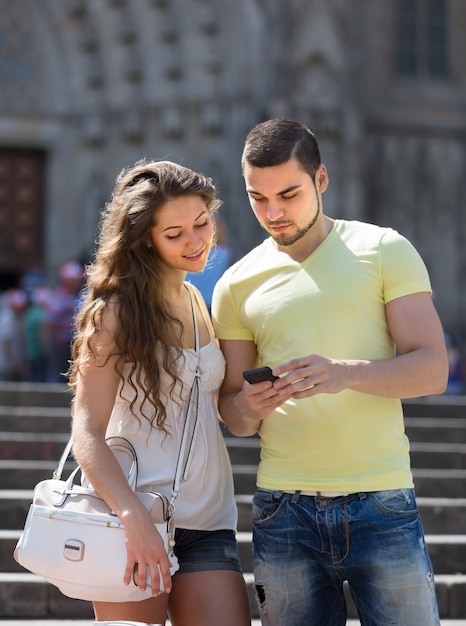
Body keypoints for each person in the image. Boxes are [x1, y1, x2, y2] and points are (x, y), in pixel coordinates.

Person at [211, 118, 449, 626]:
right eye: (258, 198)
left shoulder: (385, 249)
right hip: (283, 509)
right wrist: (247, 406)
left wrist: (345, 373)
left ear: (321, 179)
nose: (273, 212)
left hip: (381, 500)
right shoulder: (234, 284)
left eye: (288, 194)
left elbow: (432, 370)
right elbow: (234, 415)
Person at [69, 159, 250, 626]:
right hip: (130, 519)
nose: (195, 242)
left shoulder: (201, 302)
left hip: (208, 522)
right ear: (144, 238)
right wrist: (131, 518)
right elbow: (86, 430)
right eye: (175, 234)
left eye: (202, 223)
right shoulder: (114, 311)